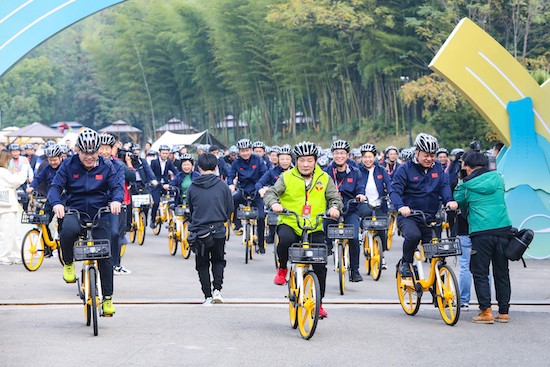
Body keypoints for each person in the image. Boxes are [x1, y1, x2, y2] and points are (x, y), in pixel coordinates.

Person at [48, 128, 124, 316]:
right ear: (77, 151)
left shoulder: (107, 166)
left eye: (93, 153)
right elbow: (55, 187)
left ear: (98, 150)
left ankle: (107, 298)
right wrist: (57, 203)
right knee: (67, 231)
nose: (89, 157)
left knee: (106, 255)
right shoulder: (68, 165)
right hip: (76, 210)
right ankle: (68, 263)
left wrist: (116, 200)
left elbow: (116, 187)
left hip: (100, 212)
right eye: (85, 153)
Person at [265, 141, 343, 318]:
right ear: (296, 161)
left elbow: (334, 198)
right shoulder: (286, 177)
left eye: (309, 160)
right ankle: (283, 267)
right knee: (284, 240)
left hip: (314, 225)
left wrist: (335, 208)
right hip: (291, 221)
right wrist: (274, 204)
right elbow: (271, 193)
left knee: (320, 265)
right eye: (302, 160)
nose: (306, 164)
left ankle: (319, 303)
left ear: (315, 161)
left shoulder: (324, 178)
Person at [454, 150, 512, 324]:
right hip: (503, 229)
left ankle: (486, 311)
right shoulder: (499, 178)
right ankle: (503, 312)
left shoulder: (465, 185)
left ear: (466, 166)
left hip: (481, 232)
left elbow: (458, 201)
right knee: (502, 272)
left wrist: (461, 181)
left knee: (480, 272)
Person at [390, 133, 458, 277]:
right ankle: (405, 263)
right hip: (409, 216)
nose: (429, 159)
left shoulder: (438, 168)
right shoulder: (404, 169)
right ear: (417, 152)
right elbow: (395, 191)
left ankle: (438, 287)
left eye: (432, 155)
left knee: (436, 251)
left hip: (430, 217)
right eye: (426, 155)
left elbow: (444, 186)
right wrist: (401, 207)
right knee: (414, 236)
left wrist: (449, 200)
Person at [187, 153, 234, 305]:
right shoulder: (223, 186)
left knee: (202, 264)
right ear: (215, 167)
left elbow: (191, 209)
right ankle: (217, 291)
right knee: (218, 260)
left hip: (200, 231)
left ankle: (207, 295)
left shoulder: (193, 187)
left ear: (198, 167)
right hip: (219, 230)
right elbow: (230, 208)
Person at [323, 140, 366, 282]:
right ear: (332, 155)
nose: (339, 156)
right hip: (332, 209)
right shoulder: (326, 172)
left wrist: (360, 195)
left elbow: (360, 188)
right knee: (325, 228)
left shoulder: (355, 172)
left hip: (350, 209)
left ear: (348, 155)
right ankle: (328, 247)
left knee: (353, 238)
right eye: (336, 153)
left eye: (342, 153)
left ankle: (354, 270)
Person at [98, 133, 135, 276]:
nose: (104, 151)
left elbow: (120, 185)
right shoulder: (91, 162)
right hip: (96, 204)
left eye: (108, 148)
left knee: (115, 234)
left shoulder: (118, 164)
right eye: (101, 148)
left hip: (115, 204)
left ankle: (115, 264)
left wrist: (116, 200)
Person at [227, 139, 268, 253]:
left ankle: (261, 244)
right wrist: (230, 184)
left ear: (250, 150)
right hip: (243, 189)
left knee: (261, 217)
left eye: (247, 150)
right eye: (242, 151)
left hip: (257, 190)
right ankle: (237, 224)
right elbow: (231, 175)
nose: (245, 153)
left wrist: (263, 187)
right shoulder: (236, 162)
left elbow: (265, 174)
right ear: (239, 152)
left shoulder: (258, 160)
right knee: (233, 199)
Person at [357, 143, 392, 269]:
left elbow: (389, 183)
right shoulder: (358, 170)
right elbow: (357, 186)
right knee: (364, 214)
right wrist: (359, 195)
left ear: (375, 157)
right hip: (364, 203)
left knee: (382, 230)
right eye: (365, 157)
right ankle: (361, 232)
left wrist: (391, 194)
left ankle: (381, 257)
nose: (368, 159)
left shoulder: (381, 170)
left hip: (379, 204)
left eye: (370, 157)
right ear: (361, 158)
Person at [256, 144, 293, 245]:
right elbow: (259, 183)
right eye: (282, 159)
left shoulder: (297, 173)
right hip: (275, 202)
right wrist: (261, 189)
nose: (284, 161)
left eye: (287, 159)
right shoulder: (272, 172)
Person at [0, 150, 29, 264]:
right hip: (6, 206)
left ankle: (17, 255)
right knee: (7, 232)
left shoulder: (4, 171)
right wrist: (24, 169)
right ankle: (3, 256)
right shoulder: (3, 171)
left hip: (8, 205)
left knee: (14, 232)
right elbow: (17, 181)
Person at [149, 144, 178, 228]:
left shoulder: (169, 162)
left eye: (166, 153)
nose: (165, 155)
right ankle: (153, 220)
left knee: (172, 199)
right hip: (156, 185)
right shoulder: (154, 162)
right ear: (159, 153)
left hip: (166, 184)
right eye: (163, 153)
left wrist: (179, 178)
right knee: (156, 202)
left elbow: (175, 171)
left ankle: (172, 219)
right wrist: (153, 181)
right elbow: (150, 173)